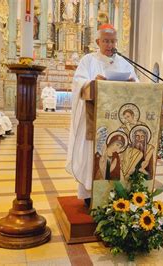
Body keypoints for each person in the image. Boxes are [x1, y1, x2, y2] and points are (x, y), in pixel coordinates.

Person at [66, 24, 138, 206]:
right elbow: (78, 83)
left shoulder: (124, 62)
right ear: (98, 41)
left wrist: (132, 83)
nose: (109, 44)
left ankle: (117, 193)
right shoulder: (88, 61)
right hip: (95, 120)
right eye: (106, 41)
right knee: (94, 156)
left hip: (119, 124)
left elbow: (137, 83)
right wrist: (92, 82)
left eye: (113, 41)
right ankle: (90, 195)